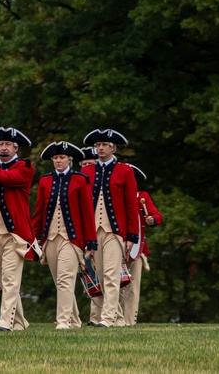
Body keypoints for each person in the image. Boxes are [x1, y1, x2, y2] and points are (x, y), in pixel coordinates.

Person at [30, 142, 97, 330]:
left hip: (72, 239)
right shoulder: (45, 181)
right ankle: (75, 321)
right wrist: (32, 238)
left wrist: (91, 241)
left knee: (65, 280)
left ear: (70, 160)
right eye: (55, 158)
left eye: (62, 157)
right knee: (59, 282)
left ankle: (63, 322)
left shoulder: (80, 179)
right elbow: (39, 212)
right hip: (50, 238)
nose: (58, 161)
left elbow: (87, 213)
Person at [0, 127, 38, 331]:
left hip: (16, 233)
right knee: (5, 280)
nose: (3, 148)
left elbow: (9, 179)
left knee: (10, 277)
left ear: (16, 148)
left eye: (7, 145)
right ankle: (19, 322)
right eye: (0, 145)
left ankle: (5, 320)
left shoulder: (25, 166)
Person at [81, 129, 138, 328]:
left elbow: (131, 205)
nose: (101, 148)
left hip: (115, 231)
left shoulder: (125, 171)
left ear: (113, 147)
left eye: (105, 145)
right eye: (98, 145)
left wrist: (132, 236)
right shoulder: (87, 172)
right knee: (102, 274)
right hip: (94, 231)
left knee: (112, 274)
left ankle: (107, 318)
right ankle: (118, 318)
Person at [121, 165, 162, 326]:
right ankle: (112, 318)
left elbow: (156, 215)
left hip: (137, 249)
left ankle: (129, 321)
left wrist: (153, 220)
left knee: (132, 287)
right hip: (114, 246)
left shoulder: (142, 197)